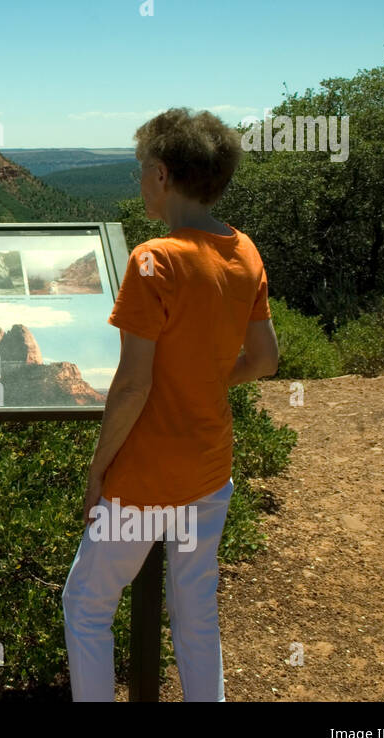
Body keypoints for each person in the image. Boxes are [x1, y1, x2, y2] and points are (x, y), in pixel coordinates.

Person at [61, 107, 279, 701]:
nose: (139, 181)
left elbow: (133, 386)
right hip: (209, 472)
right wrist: (204, 381)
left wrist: (97, 469)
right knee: (196, 616)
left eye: (140, 171)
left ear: (161, 175)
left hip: (144, 480)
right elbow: (264, 359)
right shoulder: (245, 252)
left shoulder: (153, 259)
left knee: (85, 607)